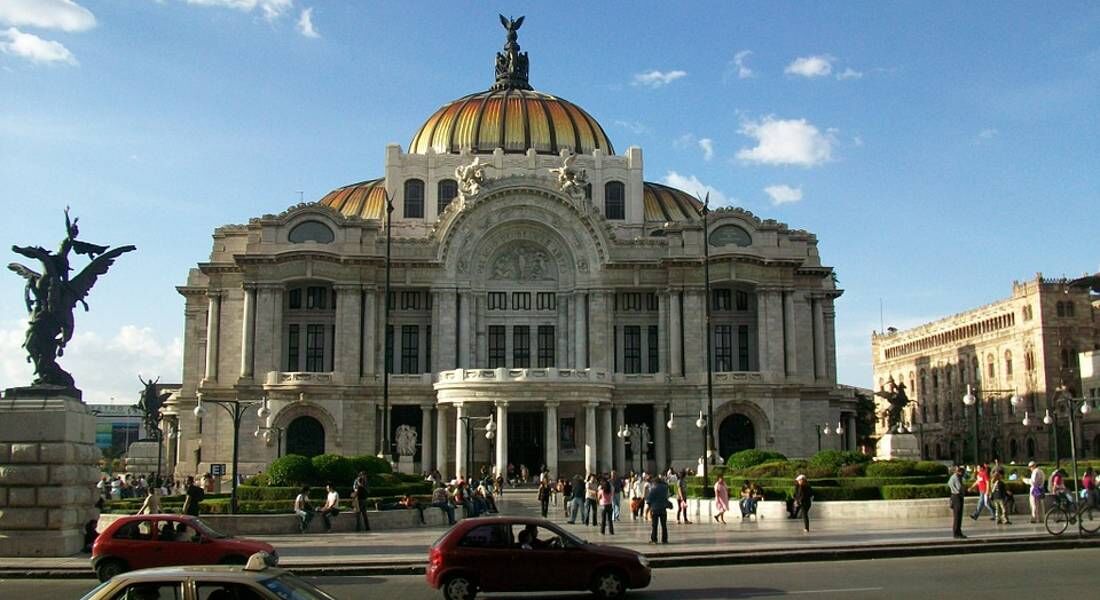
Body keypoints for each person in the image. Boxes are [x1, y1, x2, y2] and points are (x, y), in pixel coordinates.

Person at [646, 475, 671, 544]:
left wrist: (647, 511)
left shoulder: (653, 489)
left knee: (654, 525)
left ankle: (654, 539)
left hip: (655, 509)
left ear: (655, 482)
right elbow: (667, 496)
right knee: (664, 525)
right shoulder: (665, 488)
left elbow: (649, 500)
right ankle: (664, 539)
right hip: (663, 509)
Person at [948, 465, 966, 539]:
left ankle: (958, 531)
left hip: (954, 496)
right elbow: (959, 487)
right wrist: (964, 490)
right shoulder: (957, 477)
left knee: (957, 516)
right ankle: (956, 532)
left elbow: (949, 484)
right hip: (957, 497)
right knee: (958, 516)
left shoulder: (953, 477)